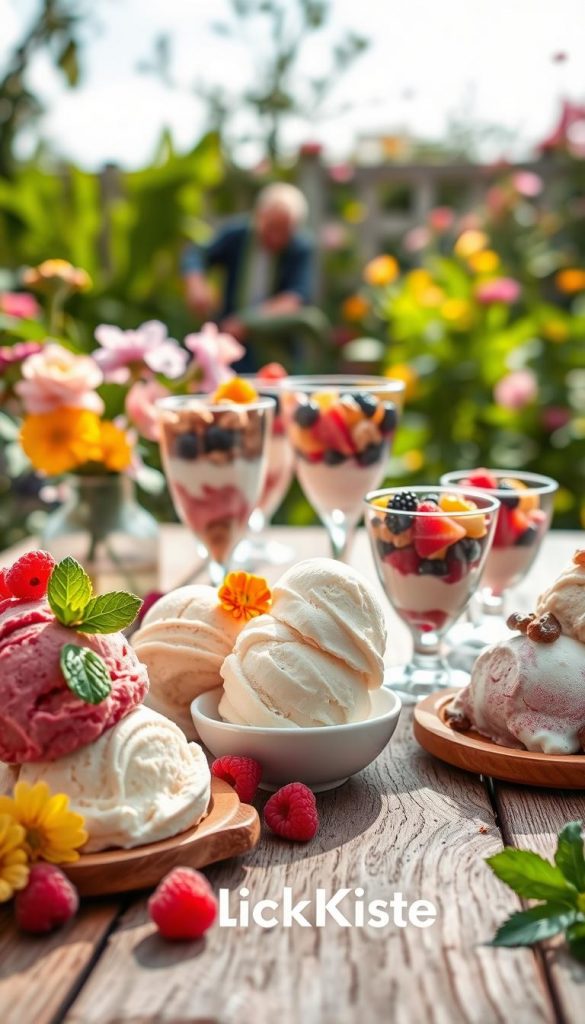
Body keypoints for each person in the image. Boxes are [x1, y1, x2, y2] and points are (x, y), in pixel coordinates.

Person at [181, 183, 315, 371]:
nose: (276, 238)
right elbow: (196, 255)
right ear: (259, 216)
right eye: (271, 227)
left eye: (284, 231)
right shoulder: (236, 236)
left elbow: (295, 298)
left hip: (276, 352)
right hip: (230, 345)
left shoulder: (301, 248)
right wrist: (196, 285)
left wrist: (246, 322)